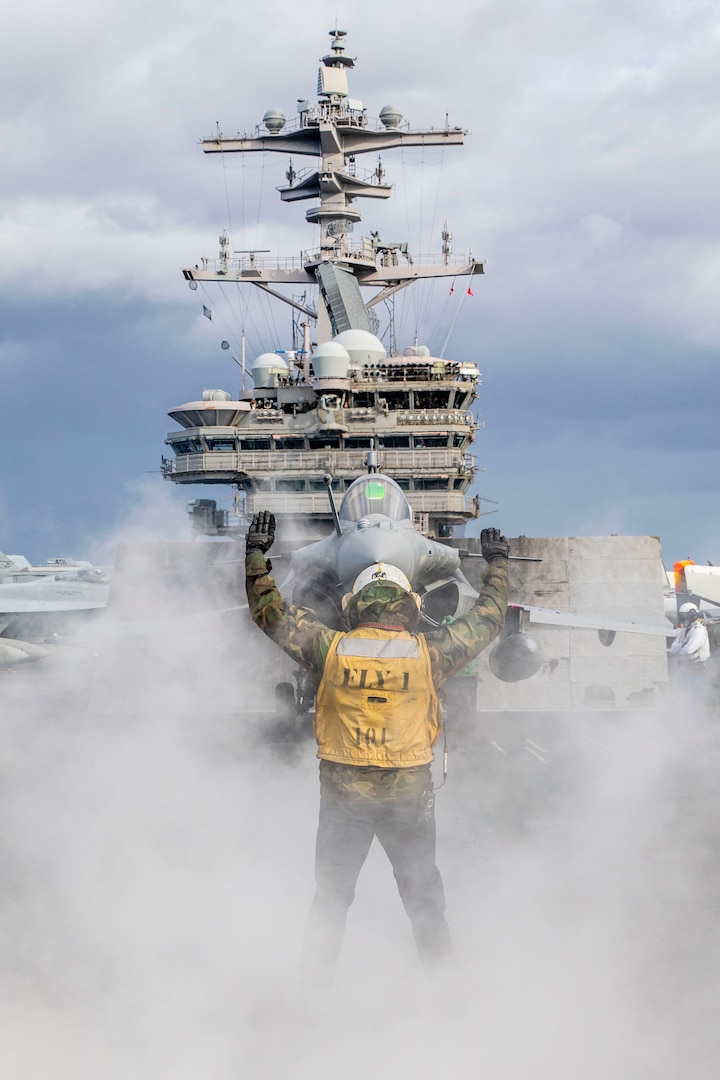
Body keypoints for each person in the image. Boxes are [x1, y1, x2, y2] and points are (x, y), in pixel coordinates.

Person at [245, 511, 509, 992]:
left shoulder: (330, 648)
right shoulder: (430, 653)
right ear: (407, 606)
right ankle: (448, 994)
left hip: (344, 802)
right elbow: (489, 619)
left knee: (330, 900)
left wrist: (256, 556)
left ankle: (312, 996)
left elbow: (270, 613)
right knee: (424, 900)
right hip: (409, 802)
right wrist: (497, 563)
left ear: (354, 603)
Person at [669, 603, 710, 670]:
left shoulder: (699, 630)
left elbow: (689, 650)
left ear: (692, 616)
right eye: (681, 617)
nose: (682, 620)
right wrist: (683, 644)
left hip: (699, 667)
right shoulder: (685, 630)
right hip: (687, 666)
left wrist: (680, 647)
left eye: (683, 617)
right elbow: (673, 649)